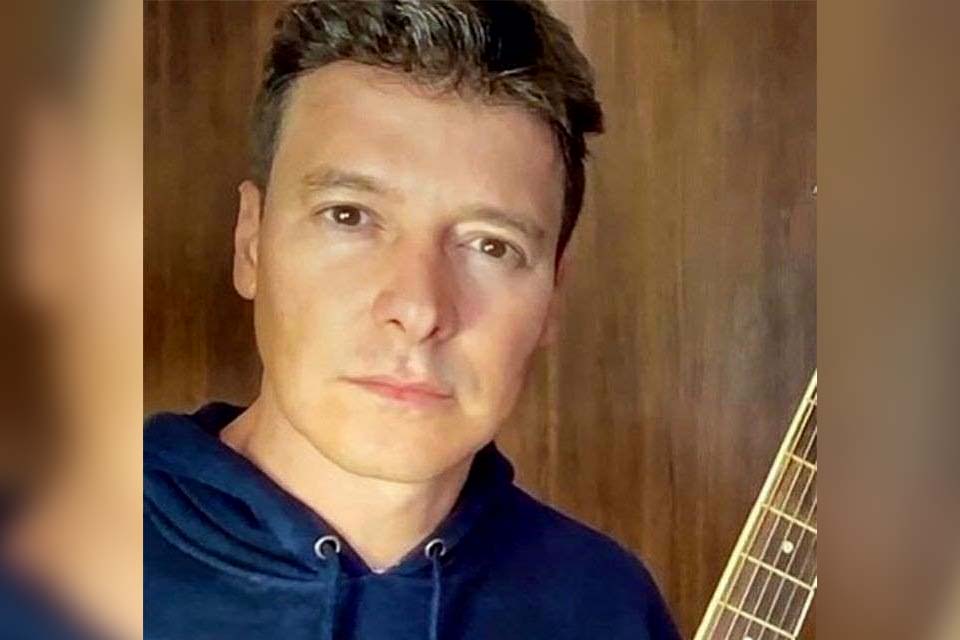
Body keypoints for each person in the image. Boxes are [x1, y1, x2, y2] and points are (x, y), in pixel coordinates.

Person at [145, 2, 680, 639]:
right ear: (251, 243)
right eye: (349, 216)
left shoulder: (606, 606)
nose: (420, 309)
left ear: (552, 299)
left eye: (491, 246)